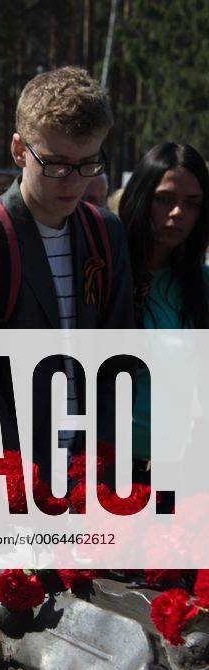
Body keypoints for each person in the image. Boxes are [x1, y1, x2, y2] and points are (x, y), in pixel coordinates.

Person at [0, 66, 134, 466]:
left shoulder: (105, 231)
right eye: (56, 165)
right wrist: (18, 484)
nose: (73, 182)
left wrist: (103, 460)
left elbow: (117, 360)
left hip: (85, 467)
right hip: (1, 473)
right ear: (19, 150)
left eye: (89, 163)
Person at [120, 143, 209, 465]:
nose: (177, 213)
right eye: (165, 199)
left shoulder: (202, 285)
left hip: (176, 463)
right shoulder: (102, 274)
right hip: (100, 462)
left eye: (192, 204)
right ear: (141, 197)